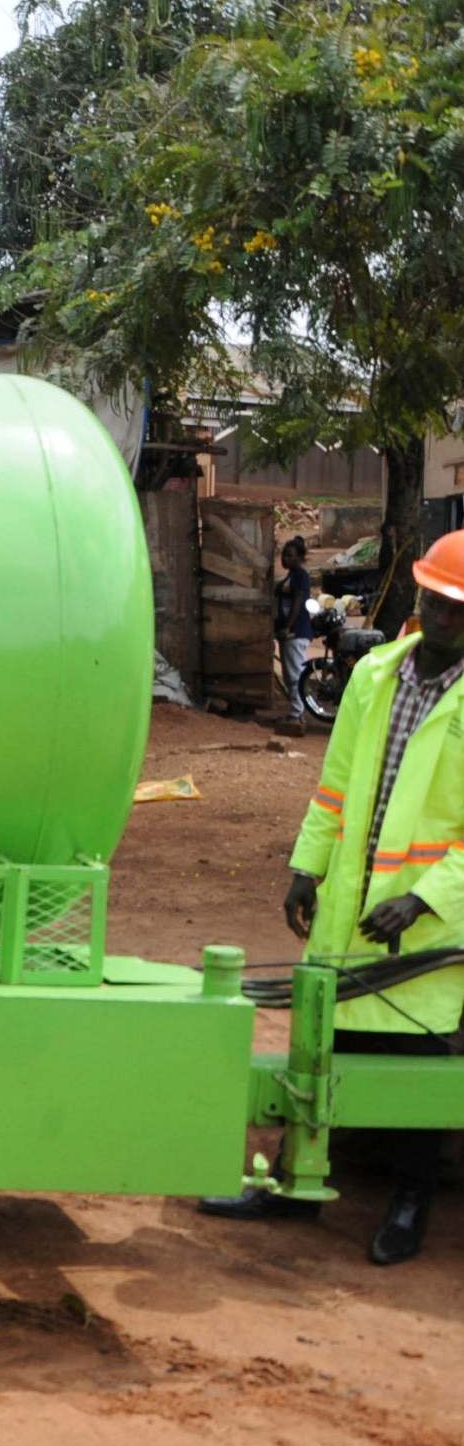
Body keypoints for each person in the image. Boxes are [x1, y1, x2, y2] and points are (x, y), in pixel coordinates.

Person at [202, 528, 464, 1264]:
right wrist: (303, 868)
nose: (445, 618)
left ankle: (410, 1204)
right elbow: (336, 790)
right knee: (322, 1048)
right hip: (349, 909)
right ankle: (291, 1180)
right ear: (419, 593)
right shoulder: (373, 675)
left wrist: (422, 900)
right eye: (437, 602)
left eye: (459, 609)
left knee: (413, 1071)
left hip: (422, 928)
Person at [275, 536, 314, 732]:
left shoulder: (300, 576)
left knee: (295, 673)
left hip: (296, 632)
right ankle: (295, 710)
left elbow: (298, 603)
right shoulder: (291, 576)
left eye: (290, 555)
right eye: (284, 555)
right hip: (289, 632)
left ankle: (297, 712)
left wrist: (288, 627)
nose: (285, 558)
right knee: (290, 672)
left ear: (299, 558)